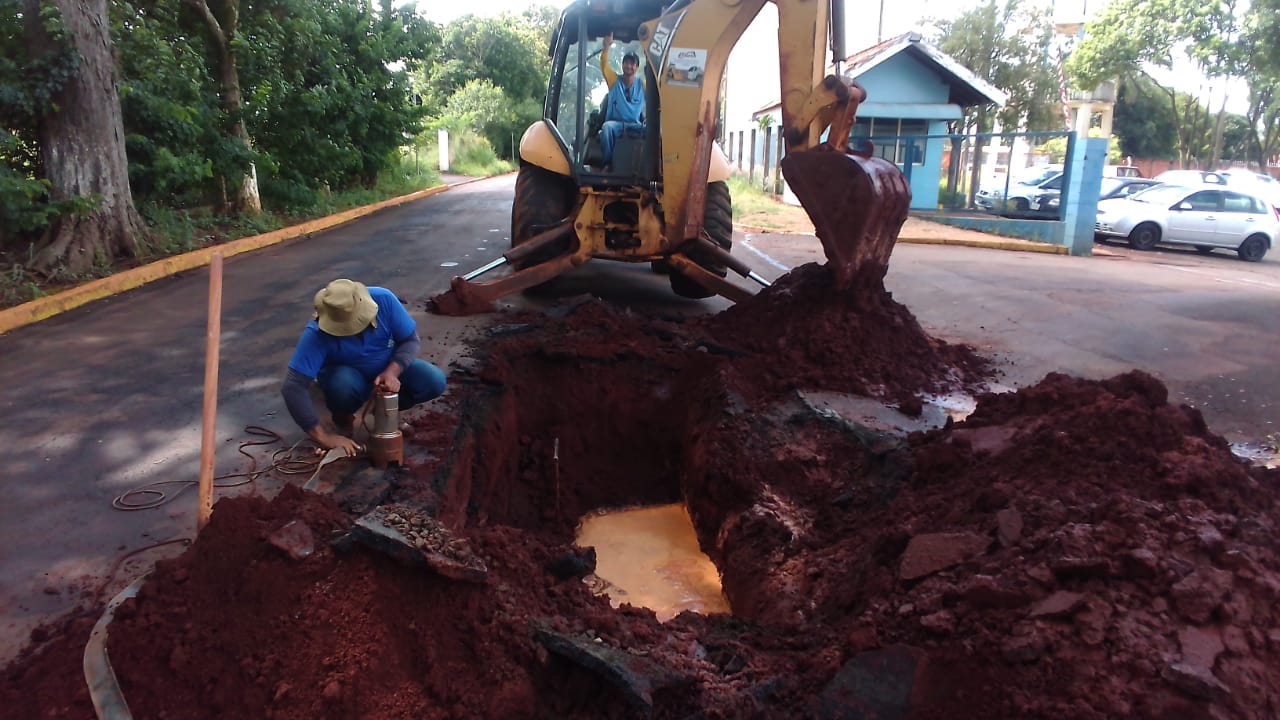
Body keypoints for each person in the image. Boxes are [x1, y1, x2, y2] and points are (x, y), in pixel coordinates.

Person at [281, 279, 446, 456]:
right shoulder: (317, 333)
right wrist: (323, 437)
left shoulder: (384, 300)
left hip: (385, 367)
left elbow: (410, 340)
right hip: (347, 377)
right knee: (342, 384)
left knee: (433, 380)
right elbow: (293, 386)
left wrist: (392, 372)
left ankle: (385, 413)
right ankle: (343, 417)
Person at [599, 34, 645, 169]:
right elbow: (604, 65)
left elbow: (658, 87)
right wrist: (606, 46)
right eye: (627, 62)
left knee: (656, 133)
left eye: (632, 63)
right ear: (622, 64)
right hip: (617, 125)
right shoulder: (613, 80)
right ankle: (608, 164)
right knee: (606, 128)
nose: (629, 66)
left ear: (636, 67)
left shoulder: (643, 85)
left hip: (635, 125)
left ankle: (652, 168)